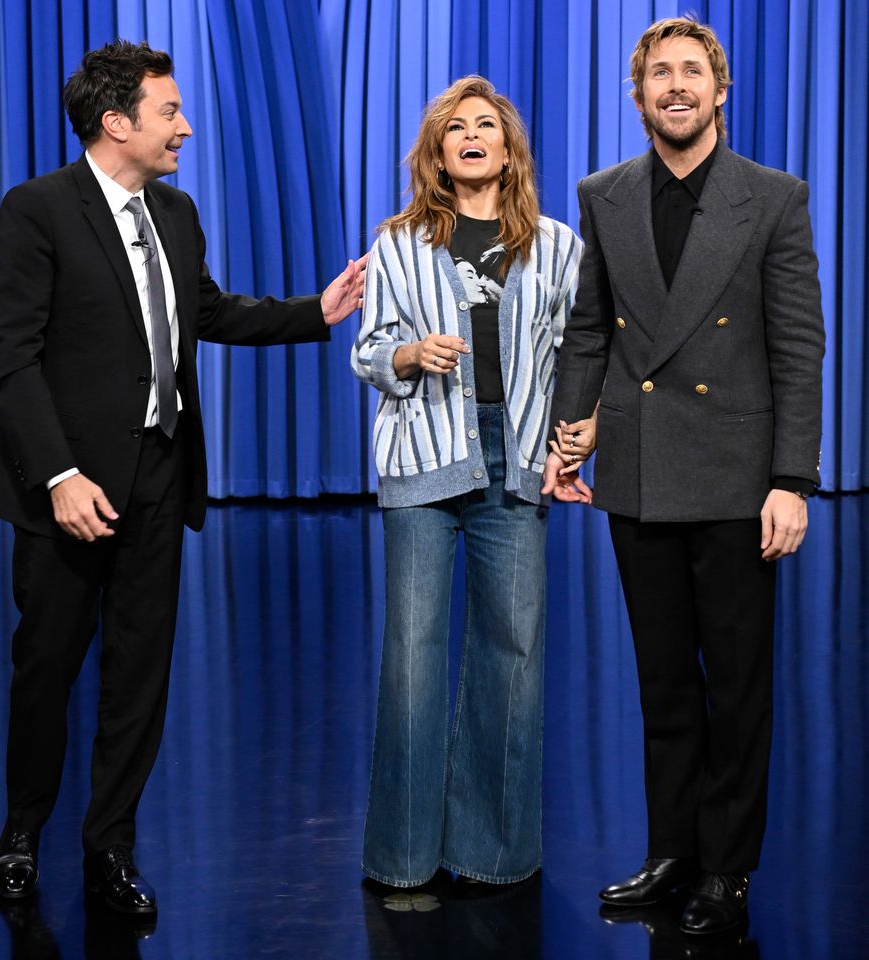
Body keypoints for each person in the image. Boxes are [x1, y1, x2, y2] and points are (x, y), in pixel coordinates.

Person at [0, 39, 366, 915]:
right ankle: (20, 832)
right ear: (116, 123)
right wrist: (60, 476)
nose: (185, 128)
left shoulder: (178, 212)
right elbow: (10, 358)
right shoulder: (35, 210)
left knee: (139, 677)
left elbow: (207, 310)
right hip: (68, 495)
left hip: (158, 477)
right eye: (170, 112)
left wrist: (317, 310)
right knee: (44, 671)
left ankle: (110, 848)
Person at [542, 16, 824, 936]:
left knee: (736, 682)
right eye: (658, 73)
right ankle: (673, 851)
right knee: (662, 679)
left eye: (691, 72)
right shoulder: (605, 193)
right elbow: (591, 325)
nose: (675, 86)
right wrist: (570, 425)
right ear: (637, 95)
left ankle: (727, 868)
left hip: (740, 475)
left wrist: (793, 479)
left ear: (721, 89)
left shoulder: (773, 197)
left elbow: (798, 345)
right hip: (639, 465)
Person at [352, 75, 588, 888]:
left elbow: (573, 358)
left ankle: (492, 854)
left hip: (514, 458)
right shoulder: (398, 243)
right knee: (413, 659)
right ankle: (405, 859)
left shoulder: (557, 245)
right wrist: (408, 357)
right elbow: (368, 350)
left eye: (487, 125)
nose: (473, 136)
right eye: (458, 129)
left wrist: (571, 445)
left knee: (513, 654)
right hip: (423, 457)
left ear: (508, 147)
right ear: (439, 154)